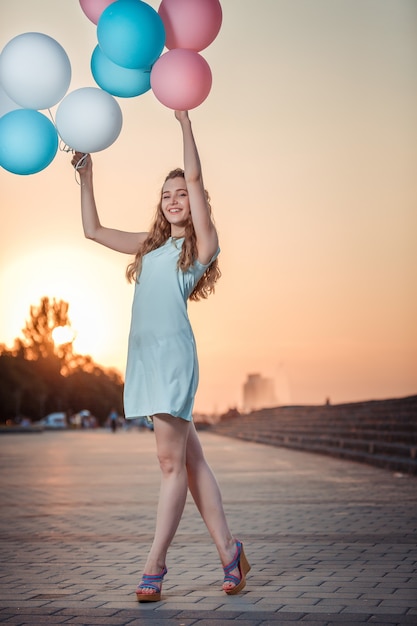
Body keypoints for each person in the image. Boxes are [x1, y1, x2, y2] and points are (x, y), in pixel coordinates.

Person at [71, 110, 250, 602]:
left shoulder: (201, 248)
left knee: (170, 464)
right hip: (144, 362)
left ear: (194, 206)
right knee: (191, 462)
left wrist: (185, 120)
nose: (174, 200)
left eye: (182, 195)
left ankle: (156, 565)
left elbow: (195, 175)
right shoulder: (148, 249)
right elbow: (93, 230)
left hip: (172, 362)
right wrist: (86, 174)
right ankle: (231, 553)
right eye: (166, 195)